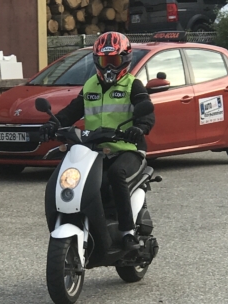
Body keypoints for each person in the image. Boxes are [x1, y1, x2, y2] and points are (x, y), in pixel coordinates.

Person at [40, 31, 155, 251]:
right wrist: (53, 124)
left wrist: (139, 128)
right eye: (105, 61)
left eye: (114, 61)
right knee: (82, 181)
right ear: (97, 61)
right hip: (96, 151)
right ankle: (95, 225)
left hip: (128, 149)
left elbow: (146, 111)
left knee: (115, 175)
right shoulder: (91, 85)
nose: (109, 67)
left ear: (126, 60)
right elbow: (72, 111)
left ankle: (127, 232)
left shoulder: (133, 85)